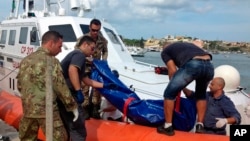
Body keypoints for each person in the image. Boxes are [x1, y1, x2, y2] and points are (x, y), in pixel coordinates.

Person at [17, 31, 79, 141]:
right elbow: (60, 87)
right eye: (59, 46)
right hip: (47, 111)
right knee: (60, 138)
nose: (60, 51)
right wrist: (72, 106)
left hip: (28, 110)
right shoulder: (52, 61)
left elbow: (20, 86)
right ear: (51, 43)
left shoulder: (25, 60)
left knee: (27, 138)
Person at [59, 35, 114, 141]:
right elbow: (72, 70)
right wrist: (78, 90)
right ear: (85, 45)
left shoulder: (75, 56)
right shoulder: (78, 55)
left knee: (68, 125)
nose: (93, 52)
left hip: (62, 96)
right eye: (92, 48)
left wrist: (104, 85)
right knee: (79, 129)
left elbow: (87, 80)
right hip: (69, 96)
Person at [157, 41, 214, 136]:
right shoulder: (185, 45)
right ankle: (200, 125)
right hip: (209, 65)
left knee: (169, 94)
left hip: (194, 64)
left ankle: (167, 127)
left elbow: (172, 70)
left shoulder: (165, 51)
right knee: (201, 95)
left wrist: (173, 85)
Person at [76, 18, 108, 119]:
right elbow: (77, 50)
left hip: (96, 67)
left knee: (97, 89)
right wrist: (85, 57)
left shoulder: (102, 40)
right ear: (90, 28)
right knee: (84, 88)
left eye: (97, 30)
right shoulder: (83, 39)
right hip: (85, 66)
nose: (95, 32)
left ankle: (95, 108)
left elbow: (105, 51)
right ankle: (84, 109)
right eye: (93, 30)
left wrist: (103, 61)